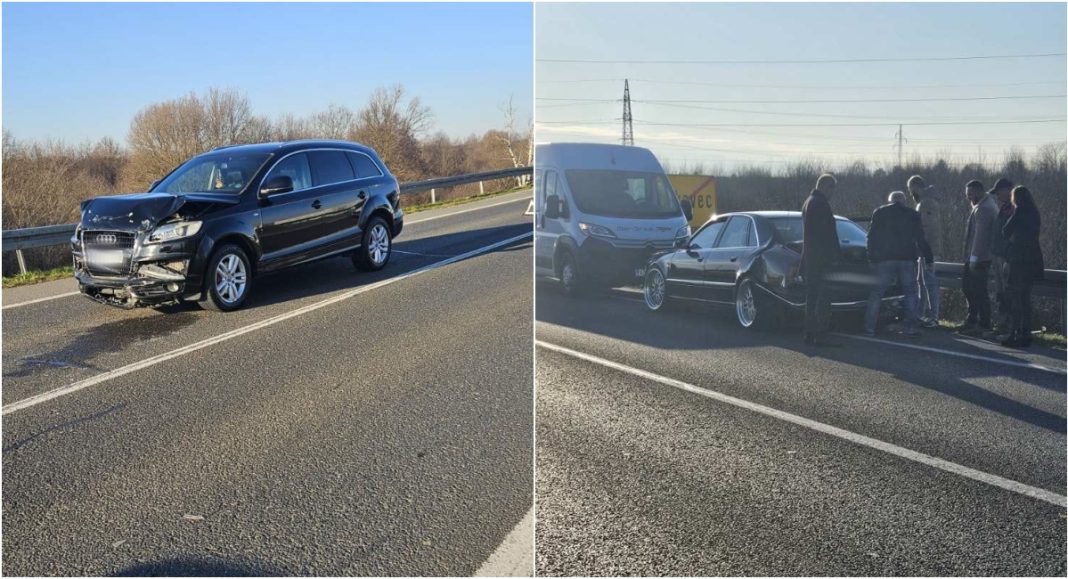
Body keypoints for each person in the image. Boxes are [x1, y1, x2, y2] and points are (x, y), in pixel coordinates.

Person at [863, 191, 932, 337]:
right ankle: (909, 328)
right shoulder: (912, 214)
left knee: (876, 293)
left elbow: (871, 237)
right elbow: (920, 238)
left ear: (890, 201)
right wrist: (929, 258)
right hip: (907, 259)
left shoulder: (880, 213)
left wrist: (871, 258)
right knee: (910, 294)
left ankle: (869, 328)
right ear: (904, 201)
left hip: (885, 259)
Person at [801, 173, 841, 346]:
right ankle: (820, 334)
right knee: (823, 297)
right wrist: (834, 256)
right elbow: (825, 233)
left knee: (812, 297)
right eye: (832, 189)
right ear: (827, 187)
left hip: (811, 258)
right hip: (821, 258)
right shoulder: (820, 204)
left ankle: (809, 333)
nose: (833, 194)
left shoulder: (808, 202)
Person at [1001, 186, 1044, 348]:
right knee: (1025, 299)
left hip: (1018, 260)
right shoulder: (1035, 212)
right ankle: (1026, 333)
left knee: (1015, 298)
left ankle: (1015, 333)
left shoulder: (1019, 212)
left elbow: (1005, 231)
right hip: (1033, 260)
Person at [959, 179, 998, 334]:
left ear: (978, 191)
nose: (968, 197)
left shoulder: (984, 208)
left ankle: (982, 322)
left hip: (979, 257)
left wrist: (973, 258)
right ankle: (974, 319)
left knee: (977, 290)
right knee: (971, 288)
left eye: (970, 194)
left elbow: (980, 236)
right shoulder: (984, 205)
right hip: (979, 256)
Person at [908, 175, 942, 328]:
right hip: (926, 250)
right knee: (922, 283)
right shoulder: (926, 202)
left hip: (929, 250)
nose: (910, 193)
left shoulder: (926, 203)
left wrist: (926, 251)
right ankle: (920, 314)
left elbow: (926, 229)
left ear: (915, 186)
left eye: (910, 189)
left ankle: (933, 317)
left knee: (930, 283)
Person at [987, 178, 1015, 338]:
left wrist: (1007, 257)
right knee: (1000, 293)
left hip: (1007, 258)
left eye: (999, 191)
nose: (997, 195)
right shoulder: (1004, 207)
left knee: (1007, 292)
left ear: (1007, 190)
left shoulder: (1014, 208)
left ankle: (1009, 327)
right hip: (997, 255)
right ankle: (1002, 324)